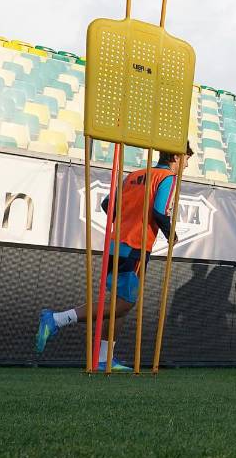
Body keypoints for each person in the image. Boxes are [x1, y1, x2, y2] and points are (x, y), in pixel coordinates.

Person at [36, 145, 192, 370]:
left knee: (118, 303)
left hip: (114, 244)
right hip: (135, 246)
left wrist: (125, 220)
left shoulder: (136, 174)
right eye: (186, 158)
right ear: (176, 156)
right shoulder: (168, 177)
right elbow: (159, 211)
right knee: (124, 304)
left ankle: (102, 358)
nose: (187, 164)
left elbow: (107, 203)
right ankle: (57, 319)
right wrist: (171, 234)